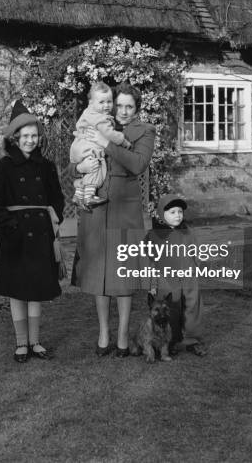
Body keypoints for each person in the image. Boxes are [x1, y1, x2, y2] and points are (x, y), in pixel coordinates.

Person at [70, 82, 155, 357]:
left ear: (137, 109)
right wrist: (79, 166)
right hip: (96, 209)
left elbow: (138, 164)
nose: (123, 111)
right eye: (119, 105)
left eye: (129, 106)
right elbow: (76, 155)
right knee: (99, 273)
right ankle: (104, 333)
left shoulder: (144, 131)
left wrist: (106, 142)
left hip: (125, 210)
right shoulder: (98, 121)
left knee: (124, 274)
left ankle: (122, 335)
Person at [0, 101, 64, 363]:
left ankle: (35, 341)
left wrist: (53, 220)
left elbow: (57, 199)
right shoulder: (2, 167)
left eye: (34, 136)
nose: (30, 141)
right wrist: (12, 227)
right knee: (18, 290)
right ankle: (21, 343)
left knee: (37, 289)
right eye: (25, 136)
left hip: (41, 235)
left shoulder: (46, 166)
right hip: (15, 237)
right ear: (15, 137)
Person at [143, 193, 206, 356]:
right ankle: (171, 340)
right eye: (172, 212)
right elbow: (149, 262)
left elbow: (196, 252)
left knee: (192, 307)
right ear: (161, 214)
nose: (177, 215)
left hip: (188, 276)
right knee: (172, 308)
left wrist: (197, 268)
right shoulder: (153, 235)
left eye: (180, 211)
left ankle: (193, 340)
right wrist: (152, 284)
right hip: (167, 279)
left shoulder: (188, 232)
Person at [70, 82, 131, 207]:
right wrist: (123, 141)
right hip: (89, 147)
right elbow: (110, 134)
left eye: (109, 101)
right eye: (101, 102)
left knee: (88, 169)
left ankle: (78, 195)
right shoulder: (101, 119)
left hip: (78, 146)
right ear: (91, 102)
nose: (106, 105)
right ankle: (89, 196)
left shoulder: (88, 112)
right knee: (95, 167)